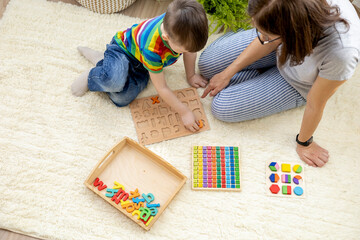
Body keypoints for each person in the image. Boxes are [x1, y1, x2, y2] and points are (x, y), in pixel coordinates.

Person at [198, 0, 360, 167]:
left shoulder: (342, 53)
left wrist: (304, 143)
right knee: (206, 64)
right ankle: (261, 72)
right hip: (280, 41)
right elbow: (266, 40)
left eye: (265, 34)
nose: (261, 35)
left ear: (289, 33)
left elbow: (316, 103)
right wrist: (228, 72)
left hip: (298, 82)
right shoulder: (278, 16)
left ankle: (262, 75)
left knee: (222, 106)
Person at [71, 0, 208, 132]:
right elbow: (162, 88)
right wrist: (184, 112)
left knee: (121, 99)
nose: (187, 53)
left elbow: (191, 51)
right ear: (166, 37)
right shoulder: (152, 49)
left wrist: (191, 75)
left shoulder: (180, 26)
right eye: (184, 50)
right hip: (122, 50)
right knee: (113, 82)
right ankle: (94, 74)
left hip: (142, 64)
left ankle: (106, 64)